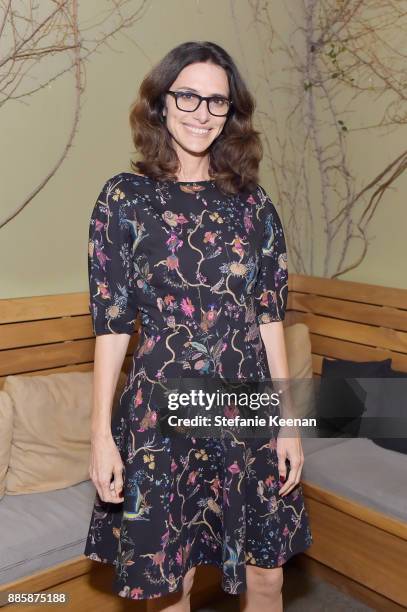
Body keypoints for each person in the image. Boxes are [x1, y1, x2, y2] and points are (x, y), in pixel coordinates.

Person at [84, 40, 313, 612]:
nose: (201, 112)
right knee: (172, 585)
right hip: (161, 418)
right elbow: (112, 323)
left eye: (217, 102)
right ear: (161, 102)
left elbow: (268, 316)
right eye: (188, 95)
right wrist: (99, 434)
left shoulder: (254, 205)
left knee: (266, 577)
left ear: (230, 115)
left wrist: (288, 425)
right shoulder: (124, 199)